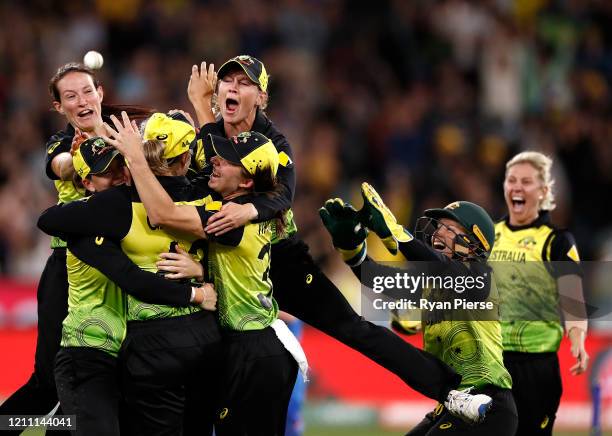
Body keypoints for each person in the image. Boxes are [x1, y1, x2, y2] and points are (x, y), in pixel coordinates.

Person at [178, 55, 491, 420]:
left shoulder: (271, 141)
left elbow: (283, 194)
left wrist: (248, 209)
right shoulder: (212, 134)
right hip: (222, 262)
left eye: (244, 82)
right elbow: (199, 177)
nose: (233, 87)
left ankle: (451, 392)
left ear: (262, 97)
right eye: (227, 80)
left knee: (351, 327)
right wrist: (201, 107)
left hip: (278, 259)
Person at [105, 113, 301, 435]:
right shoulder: (256, 211)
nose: (214, 160)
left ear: (247, 182)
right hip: (261, 345)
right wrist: (200, 271)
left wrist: (136, 158)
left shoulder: (232, 219)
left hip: (253, 350)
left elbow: (161, 214)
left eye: (226, 160)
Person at [36, 114, 223, 436]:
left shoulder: (121, 208)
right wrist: (196, 293)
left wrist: (201, 269)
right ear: (87, 183)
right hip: (89, 352)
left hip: (122, 355)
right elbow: (132, 279)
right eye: (106, 173)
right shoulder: (91, 223)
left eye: (121, 166)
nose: (120, 176)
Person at [0, 62, 152, 434]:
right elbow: (62, 166)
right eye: (70, 96)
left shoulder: (127, 135)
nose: (81, 100)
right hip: (69, 272)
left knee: (102, 381)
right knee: (48, 382)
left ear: (100, 93)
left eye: (86, 91)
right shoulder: (63, 143)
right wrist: (82, 156)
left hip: (119, 269)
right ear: (59, 108)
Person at [319, 183, 518, 434]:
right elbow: (381, 281)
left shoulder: (482, 277)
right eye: (439, 227)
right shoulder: (434, 286)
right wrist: (354, 253)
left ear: (473, 242)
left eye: (449, 228)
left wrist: (397, 233)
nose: (438, 233)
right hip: (454, 404)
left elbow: (442, 269)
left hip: (489, 405)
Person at [490, 151, 588, 435]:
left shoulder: (556, 241)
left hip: (536, 367)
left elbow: (573, 300)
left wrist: (578, 338)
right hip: (491, 361)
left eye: (526, 182)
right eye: (511, 180)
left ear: (544, 191)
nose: (517, 187)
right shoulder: (487, 234)